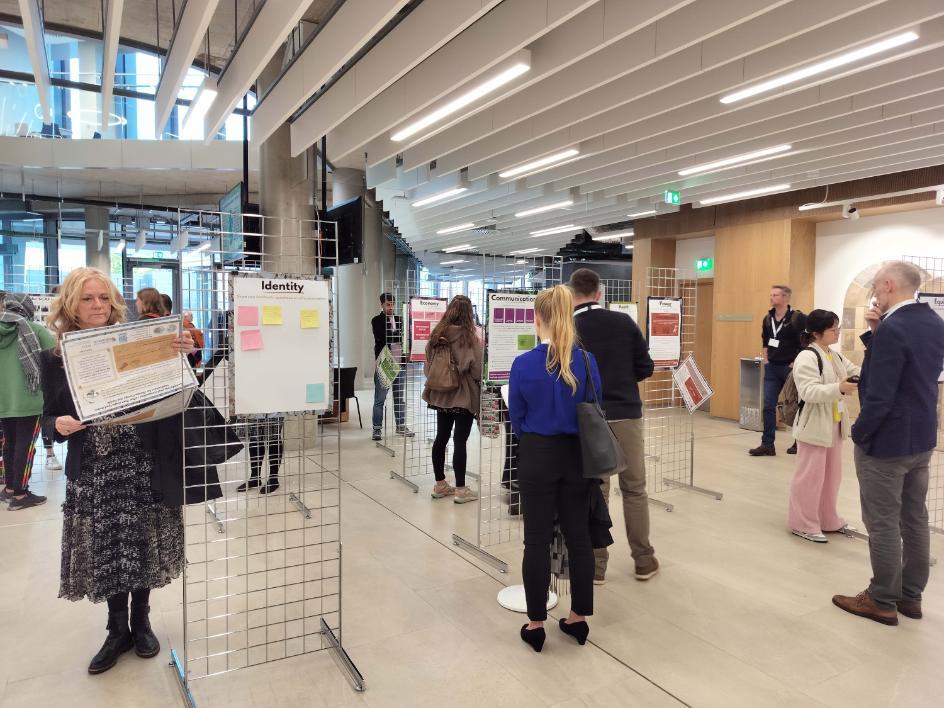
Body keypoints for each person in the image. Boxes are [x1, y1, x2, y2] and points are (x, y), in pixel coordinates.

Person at [41, 267, 195, 674]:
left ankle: (141, 622)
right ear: (70, 303)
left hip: (141, 458)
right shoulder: (54, 357)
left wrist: (180, 354)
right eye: (88, 298)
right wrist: (56, 425)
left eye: (104, 298)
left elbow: (173, 390)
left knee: (140, 540)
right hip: (94, 467)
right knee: (108, 548)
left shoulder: (139, 343)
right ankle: (116, 630)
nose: (97, 306)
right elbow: (47, 415)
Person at [833, 262, 944, 626]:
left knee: (882, 524)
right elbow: (910, 368)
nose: (876, 295)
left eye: (878, 288)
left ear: (888, 285)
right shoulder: (932, 322)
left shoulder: (894, 328)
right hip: (922, 436)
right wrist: (874, 333)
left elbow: (880, 393)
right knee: (915, 520)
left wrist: (860, 433)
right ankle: (910, 597)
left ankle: (881, 600)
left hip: (886, 442)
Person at [509, 285, 602, 652]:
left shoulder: (523, 364)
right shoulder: (587, 361)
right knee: (579, 536)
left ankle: (535, 624)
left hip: (536, 454)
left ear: (538, 319)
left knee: (536, 538)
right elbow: (596, 406)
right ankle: (578, 619)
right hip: (577, 456)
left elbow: (516, 417)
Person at [569, 268, 657, 584]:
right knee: (635, 489)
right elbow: (645, 367)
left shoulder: (569, 327)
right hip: (627, 416)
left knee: (597, 490)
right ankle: (644, 560)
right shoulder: (623, 322)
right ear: (599, 292)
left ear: (572, 293)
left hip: (590, 418)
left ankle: (596, 566)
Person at [787, 309, 860, 543]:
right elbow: (808, 392)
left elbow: (856, 372)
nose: (837, 332)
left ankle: (828, 519)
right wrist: (838, 389)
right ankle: (802, 523)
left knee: (832, 476)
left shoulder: (834, 355)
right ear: (817, 333)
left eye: (837, 328)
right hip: (814, 426)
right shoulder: (807, 357)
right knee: (810, 477)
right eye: (833, 329)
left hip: (834, 425)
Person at [422, 295, 481, 504]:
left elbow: (427, 367)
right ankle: (461, 489)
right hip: (463, 396)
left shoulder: (437, 335)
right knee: (460, 441)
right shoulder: (469, 338)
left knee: (441, 437)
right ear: (469, 314)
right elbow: (477, 370)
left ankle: (440, 484)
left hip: (440, 395)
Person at [1, 293, 56, 510]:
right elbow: (54, 356)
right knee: (26, 445)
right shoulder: (34, 329)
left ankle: (10, 488)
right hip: (30, 398)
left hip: (3, 400)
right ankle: (21, 496)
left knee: (10, 442)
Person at [750, 285, 807, 456]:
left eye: (775, 295)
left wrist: (796, 362)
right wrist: (766, 360)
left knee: (796, 405)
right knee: (768, 405)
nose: (771, 297)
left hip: (791, 368)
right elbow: (765, 341)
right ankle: (767, 444)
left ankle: (799, 442)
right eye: (771, 295)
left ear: (786, 298)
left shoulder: (798, 318)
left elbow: (806, 342)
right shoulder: (768, 319)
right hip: (772, 368)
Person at [371, 293, 412, 440]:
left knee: (399, 397)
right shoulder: (376, 321)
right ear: (381, 304)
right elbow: (382, 337)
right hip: (385, 364)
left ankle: (400, 426)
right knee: (380, 399)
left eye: (392, 304)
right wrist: (397, 335)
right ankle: (377, 429)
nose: (391, 307)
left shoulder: (400, 320)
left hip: (399, 364)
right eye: (388, 304)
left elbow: (405, 338)